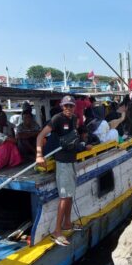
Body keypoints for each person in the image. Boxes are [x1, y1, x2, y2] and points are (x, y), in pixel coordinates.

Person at [36, 96, 93, 246]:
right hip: (63, 163)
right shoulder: (57, 119)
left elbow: (73, 141)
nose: (68, 108)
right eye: (66, 106)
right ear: (62, 106)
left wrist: (83, 146)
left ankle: (67, 223)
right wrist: (39, 155)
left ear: (75, 107)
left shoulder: (75, 119)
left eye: (71, 106)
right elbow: (40, 136)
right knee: (64, 196)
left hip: (72, 160)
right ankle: (57, 231)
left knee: (70, 194)